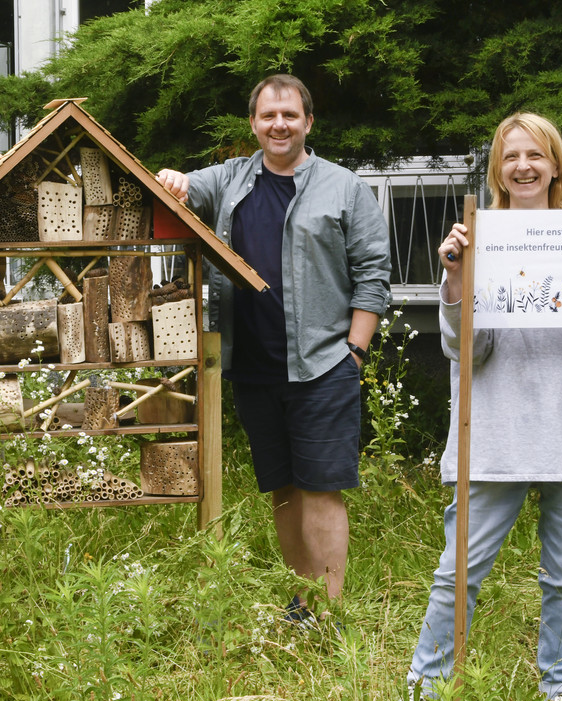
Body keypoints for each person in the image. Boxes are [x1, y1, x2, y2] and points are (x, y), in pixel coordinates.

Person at [399, 112, 562, 701]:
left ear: (556, 167)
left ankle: (559, 691)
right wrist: (455, 279)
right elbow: (467, 348)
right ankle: (426, 685)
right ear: (497, 169)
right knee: (458, 572)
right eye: (511, 156)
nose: (523, 166)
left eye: (536, 156)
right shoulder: (476, 239)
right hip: (493, 433)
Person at [156, 74, 392, 621]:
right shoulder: (233, 179)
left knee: (321, 488)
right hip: (254, 364)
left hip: (324, 363)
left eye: (289, 115)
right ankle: (301, 602)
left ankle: (329, 613)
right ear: (254, 124)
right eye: (268, 116)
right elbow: (183, 186)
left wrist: (354, 352)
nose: (278, 125)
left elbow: (373, 275)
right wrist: (174, 177)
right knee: (282, 487)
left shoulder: (343, 187)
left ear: (308, 122)